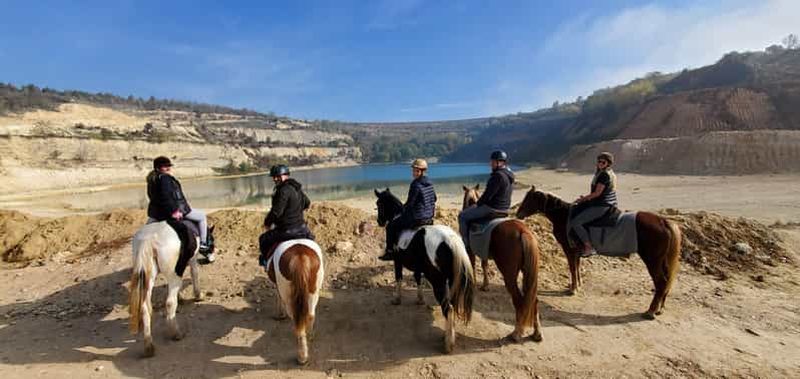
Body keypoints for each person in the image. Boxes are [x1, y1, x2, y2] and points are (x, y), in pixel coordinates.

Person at [146, 156, 215, 263]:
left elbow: (152, 196)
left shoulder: (152, 179)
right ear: (158, 168)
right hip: (174, 211)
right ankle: (203, 245)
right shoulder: (165, 178)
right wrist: (174, 211)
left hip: (156, 214)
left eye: (168, 165)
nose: (168, 168)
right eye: (165, 166)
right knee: (202, 216)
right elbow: (167, 196)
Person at [379, 159, 437, 261]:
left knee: (391, 226)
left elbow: (410, 204)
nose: (413, 173)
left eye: (416, 171)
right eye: (413, 170)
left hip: (417, 218)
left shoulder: (415, 184)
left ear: (421, 171)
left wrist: (403, 209)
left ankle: (389, 252)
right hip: (429, 217)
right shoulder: (430, 183)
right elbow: (435, 198)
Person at [258, 164, 314, 266]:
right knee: (313, 241)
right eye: (274, 177)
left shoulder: (282, 190)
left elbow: (276, 212)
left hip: (286, 230)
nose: (275, 179)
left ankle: (265, 262)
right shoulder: (297, 188)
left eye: (278, 176)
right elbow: (307, 203)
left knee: (263, 239)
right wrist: (295, 211)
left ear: (286, 175)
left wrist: (267, 223)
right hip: (302, 228)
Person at [458, 150, 514, 250]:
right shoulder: (509, 175)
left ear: (500, 162)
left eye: (493, 162)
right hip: (505, 209)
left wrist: (477, 204)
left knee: (462, 216)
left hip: (493, 208)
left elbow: (488, 196)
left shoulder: (497, 176)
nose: (490, 164)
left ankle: (465, 244)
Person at [569, 152, 619, 257]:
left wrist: (583, 199)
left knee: (576, 222)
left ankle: (589, 247)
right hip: (608, 203)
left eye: (603, 162)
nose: (600, 163)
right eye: (599, 161)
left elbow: (597, 193)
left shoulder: (604, 175)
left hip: (602, 205)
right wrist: (586, 199)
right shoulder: (608, 172)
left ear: (608, 163)